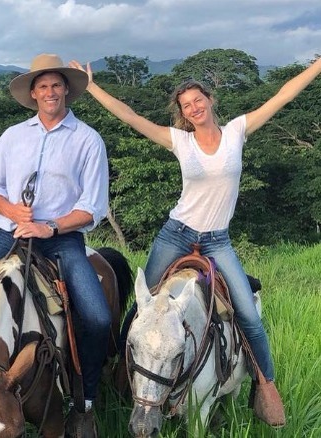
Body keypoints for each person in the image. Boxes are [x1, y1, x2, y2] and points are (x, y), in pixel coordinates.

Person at [68, 55, 321, 427]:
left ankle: (265, 386)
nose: (194, 107)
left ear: (210, 100)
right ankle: (120, 375)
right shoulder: (180, 141)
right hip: (177, 233)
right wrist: (92, 88)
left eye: (198, 100)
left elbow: (281, 97)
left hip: (217, 240)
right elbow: (132, 117)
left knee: (248, 314)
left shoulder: (236, 131)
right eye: (186, 105)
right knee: (141, 310)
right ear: (183, 113)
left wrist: (316, 68)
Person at [0, 54, 110, 437]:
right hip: (9, 233)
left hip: (61, 240)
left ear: (67, 90)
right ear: (33, 93)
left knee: (97, 319)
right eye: (43, 86)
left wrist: (49, 226)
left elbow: (92, 207)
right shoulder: (12, 136)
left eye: (56, 85)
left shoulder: (87, 139)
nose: (50, 92)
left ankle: (85, 401)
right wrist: (13, 211)